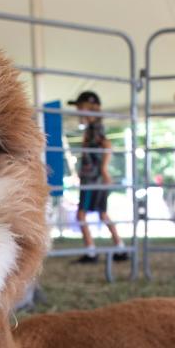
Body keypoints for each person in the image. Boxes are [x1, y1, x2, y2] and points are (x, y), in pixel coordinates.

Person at [68, 91, 126, 264]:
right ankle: (120, 247)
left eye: (80, 107)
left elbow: (107, 145)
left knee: (81, 215)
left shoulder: (95, 128)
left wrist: (103, 169)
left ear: (89, 107)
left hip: (93, 178)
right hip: (93, 177)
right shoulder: (94, 126)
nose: (78, 110)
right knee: (102, 214)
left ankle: (91, 251)